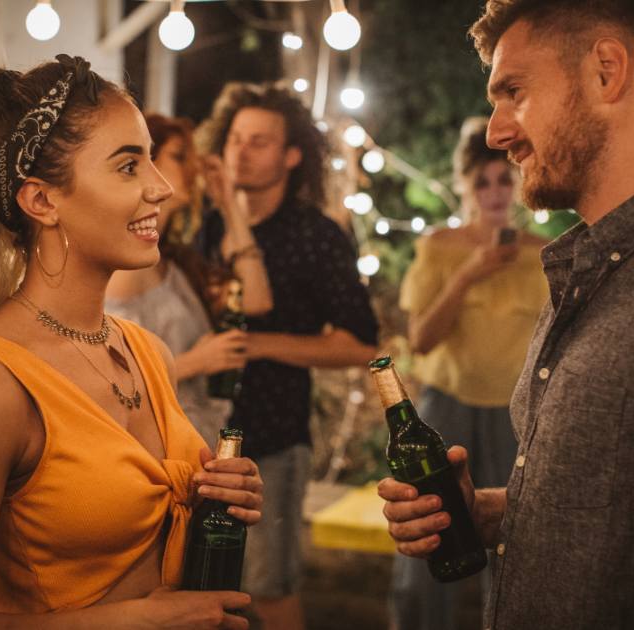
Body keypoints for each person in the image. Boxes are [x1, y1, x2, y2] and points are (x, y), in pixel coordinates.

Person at [378, 1, 634, 629]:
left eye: (514, 91)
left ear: (607, 71)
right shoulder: (587, 267)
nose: (496, 131)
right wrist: (494, 513)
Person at [0, 55, 263, 629]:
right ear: (42, 201)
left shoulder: (148, 352)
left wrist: (218, 496)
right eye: (128, 166)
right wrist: (134, 621)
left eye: (151, 162)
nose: (160, 189)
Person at [194, 83, 380, 630]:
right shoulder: (208, 225)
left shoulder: (315, 236)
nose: (241, 153)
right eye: (235, 139)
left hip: (273, 438)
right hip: (201, 433)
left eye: (259, 142)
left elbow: (362, 342)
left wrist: (258, 345)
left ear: (291, 155)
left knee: (269, 590)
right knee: (205, 587)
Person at [391, 117, 548, 630]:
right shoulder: (440, 245)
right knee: (431, 538)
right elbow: (420, 341)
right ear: (464, 184)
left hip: (515, 414)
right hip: (447, 408)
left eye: (504, 179)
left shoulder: (542, 254)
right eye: (482, 182)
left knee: (515, 548)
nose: (495, 192)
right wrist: (468, 273)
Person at [106, 114, 272, 450]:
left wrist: (229, 205)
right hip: (159, 448)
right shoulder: (127, 260)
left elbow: (256, 300)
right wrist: (198, 361)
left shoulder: (171, 260)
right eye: (179, 156)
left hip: (199, 439)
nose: (193, 167)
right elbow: (111, 381)